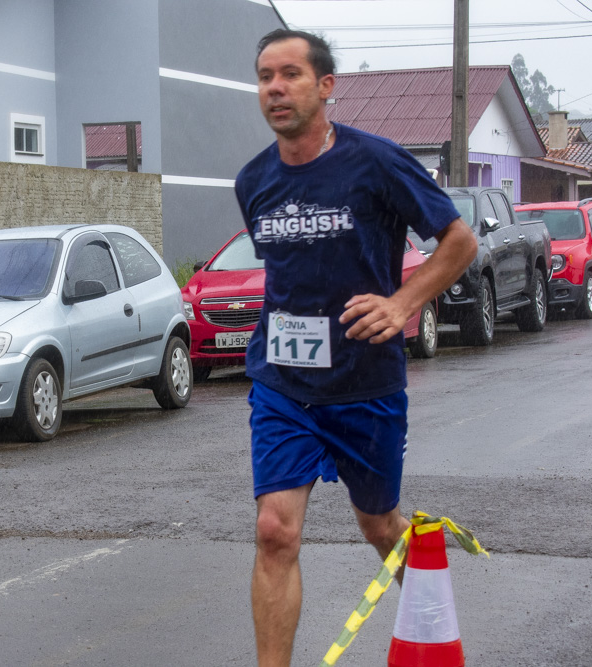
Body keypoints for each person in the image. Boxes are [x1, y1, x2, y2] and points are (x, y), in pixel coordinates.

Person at [234, 29, 478, 666]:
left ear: (325, 86)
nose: (276, 88)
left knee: (380, 527)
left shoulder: (376, 161)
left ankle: (436, 631)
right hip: (284, 386)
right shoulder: (253, 180)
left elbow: (458, 242)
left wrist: (403, 303)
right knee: (274, 531)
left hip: (365, 384)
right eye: (265, 77)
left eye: (290, 74)